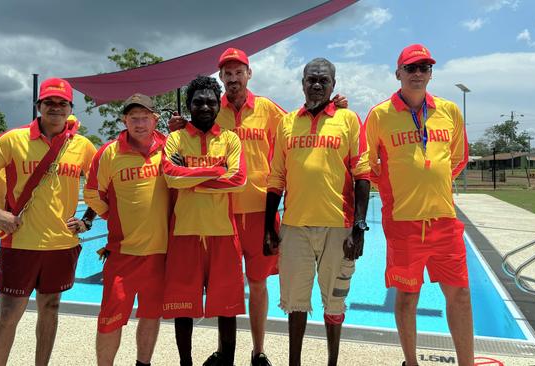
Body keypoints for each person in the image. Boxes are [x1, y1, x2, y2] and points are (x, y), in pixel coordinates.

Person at [169, 47, 348, 366]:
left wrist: (331, 105)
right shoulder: (210, 107)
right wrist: (179, 128)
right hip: (219, 211)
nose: (233, 78)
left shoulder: (268, 109)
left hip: (256, 210)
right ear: (220, 77)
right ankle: (224, 351)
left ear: (249, 74)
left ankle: (258, 350)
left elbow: (304, 119)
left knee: (257, 282)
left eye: (239, 72)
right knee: (223, 289)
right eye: (227, 73)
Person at [0, 77, 97, 366]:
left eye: (62, 104)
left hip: (61, 243)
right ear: (39, 106)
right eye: (49, 102)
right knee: (9, 312)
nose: (56, 108)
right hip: (19, 240)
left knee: (51, 307)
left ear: (71, 108)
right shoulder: (13, 139)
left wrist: (87, 220)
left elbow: (103, 185)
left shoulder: (83, 146)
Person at [364, 44, 472, 366]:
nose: (417, 73)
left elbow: (458, 158)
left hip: (443, 220)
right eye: (411, 68)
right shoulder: (380, 115)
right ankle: (411, 363)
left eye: (424, 67)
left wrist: (431, 183)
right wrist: (395, 190)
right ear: (398, 74)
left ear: (430, 73)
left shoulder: (449, 111)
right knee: (408, 297)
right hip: (404, 224)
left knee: (461, 296)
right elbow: (367, 165)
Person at [264, 58, 370, 366]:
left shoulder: (349, 120)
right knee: (296, 302)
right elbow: (276, 178)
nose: (317, 84)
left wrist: (359, 227)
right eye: (312, 79)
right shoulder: (287, 123)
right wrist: (269, 227)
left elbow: (361, 173)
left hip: (339, 226)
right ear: (302, 83)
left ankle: (332, 362)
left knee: (334, 301)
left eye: (324, 80)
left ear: (333, 85)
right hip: (295, 227)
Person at [161, 75, 247, 366]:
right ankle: (186, 363)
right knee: (182, 307)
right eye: (198, 101)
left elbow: (239, 179)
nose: (206, 106)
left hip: (223, 233)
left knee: (227, 308)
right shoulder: (176, 138)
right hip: (185, 233)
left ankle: (228, 362)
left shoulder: (230, 139)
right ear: (189, 105)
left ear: (217, 105)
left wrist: (192, 180)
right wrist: (215, 171)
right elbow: (171, 177)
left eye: (211, 101)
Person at [84, 93, 169, 366]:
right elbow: (92, 194)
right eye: (134, 117)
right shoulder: (110, 152)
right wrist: (113, 217)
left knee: (151, 315)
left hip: (160, 253)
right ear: (125, 120)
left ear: (155, 119)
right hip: (123, 254)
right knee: (110, 320)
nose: (140, 123)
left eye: (145, 117)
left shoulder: (169, 148)